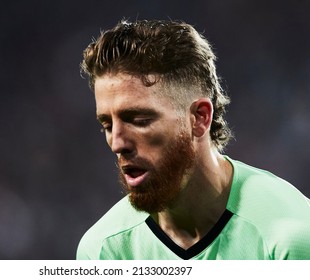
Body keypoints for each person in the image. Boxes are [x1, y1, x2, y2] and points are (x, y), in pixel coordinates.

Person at [76, 19, 310, 260]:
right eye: (107, 124)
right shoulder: (104, 251)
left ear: (199, 118)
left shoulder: (292, 238)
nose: (117, 143)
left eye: (139, 120)